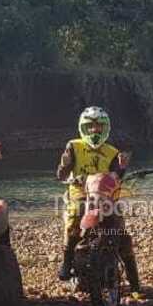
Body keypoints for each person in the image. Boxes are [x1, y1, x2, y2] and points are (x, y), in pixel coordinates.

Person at [55, 106, 141, 291]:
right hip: (80, 192)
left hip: (105, 194)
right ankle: (67, 260)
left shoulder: (112, 151)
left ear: (106, 128)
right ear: (83, 128)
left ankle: (134, 282)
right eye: (90, 126)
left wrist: (123, 168)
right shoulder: (73, 146)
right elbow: (61, 174)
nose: (95, 130)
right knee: (74, 219)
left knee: (121, 232)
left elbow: (117, 176)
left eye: (99, 126)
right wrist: (73, 178)